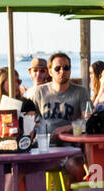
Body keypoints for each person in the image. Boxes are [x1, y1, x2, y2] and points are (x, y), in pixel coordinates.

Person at [32, 52, 90, 182]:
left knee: (77, 168)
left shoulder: (81, 92)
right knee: (20, 168)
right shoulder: (40, 92)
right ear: (50, 72)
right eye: (57, 68)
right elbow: (28, 120)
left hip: (70, 148)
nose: (62, 71)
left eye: (66, 68)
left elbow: (88, 121)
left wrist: (67, 128)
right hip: (43, 147)